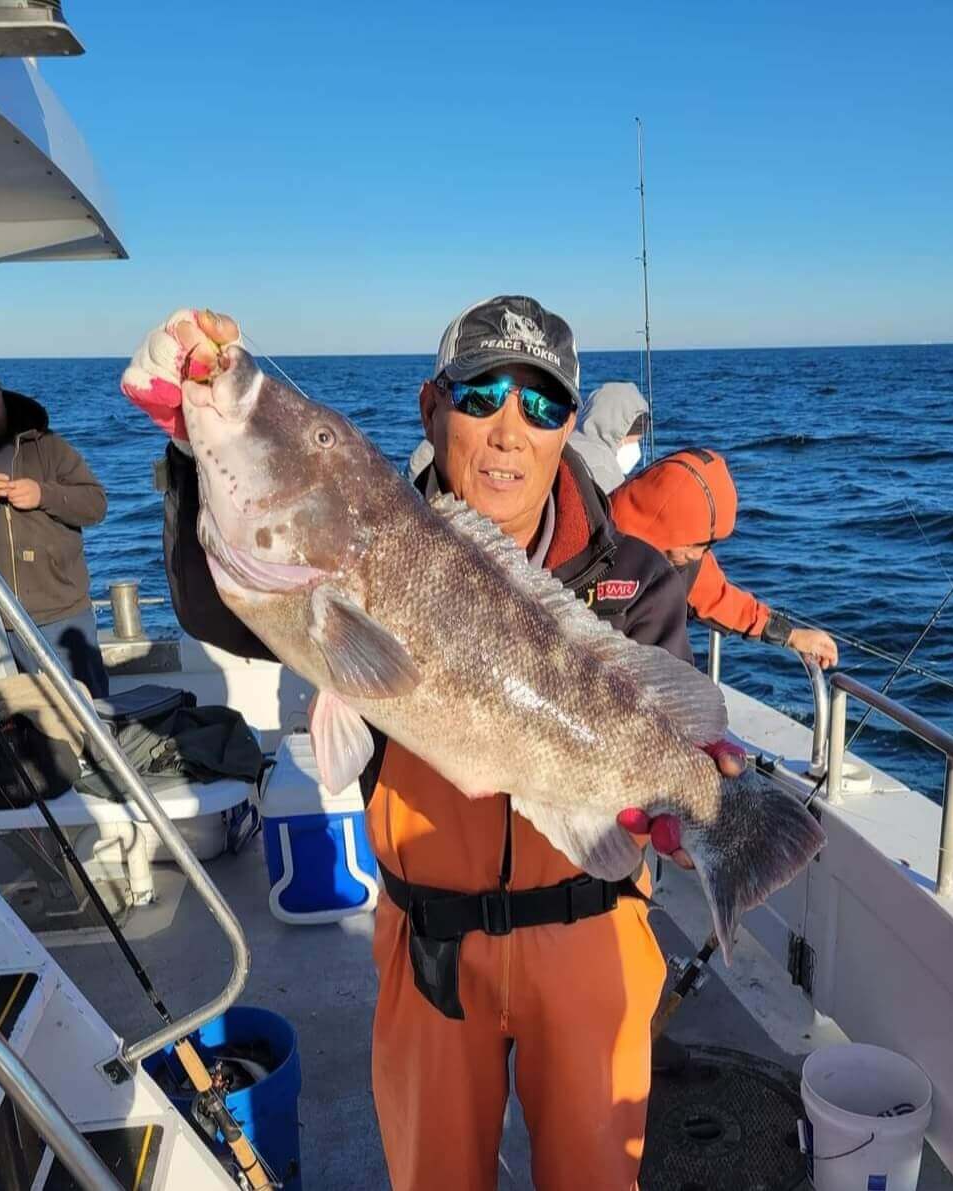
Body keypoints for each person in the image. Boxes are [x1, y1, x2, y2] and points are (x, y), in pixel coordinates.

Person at [124, 297, 744, 1191]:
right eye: (483, 393)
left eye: (539, 406)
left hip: (592, 936)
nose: (507, 431)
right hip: (429, 946)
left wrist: (683, 805)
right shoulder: (372, 529)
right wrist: (193, 451)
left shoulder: (631, 574)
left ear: (570, 426)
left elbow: (664, 724)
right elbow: (209, 600)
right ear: (431, 406)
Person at [0, 354, 110, 697]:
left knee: (92, 720)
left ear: (1, 392)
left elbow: (96, 505)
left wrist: (43, 494)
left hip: (62, 615)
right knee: (14, 731)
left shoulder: (46, 445)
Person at [611, 447, 838, 668]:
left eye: (709, 544)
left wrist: (790, 635)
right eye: (699, 544)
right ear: (670, 528)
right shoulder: (588, 542)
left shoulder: (684, 563)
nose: (699, 555)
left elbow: (720, 599)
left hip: (660, 693)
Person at [566, 381, 649, 494]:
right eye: (634, 441)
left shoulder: (568, 441)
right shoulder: (604, 470)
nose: (636, 448)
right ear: (618, 433)